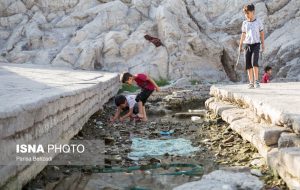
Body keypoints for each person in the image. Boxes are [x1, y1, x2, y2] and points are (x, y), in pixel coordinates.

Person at [239, 4, 265, 89]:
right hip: (247, 45)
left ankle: (256, 81)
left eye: (248, 13)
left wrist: (263, 44)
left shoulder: (258, 22)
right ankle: (251, 82)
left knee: (254, 63)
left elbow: (261, 33)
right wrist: (240, 45)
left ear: (253, 12)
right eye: (245, 13)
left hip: (256, 44)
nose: (246, 15)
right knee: (248, 64)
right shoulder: (245, 23)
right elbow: (243, 34)